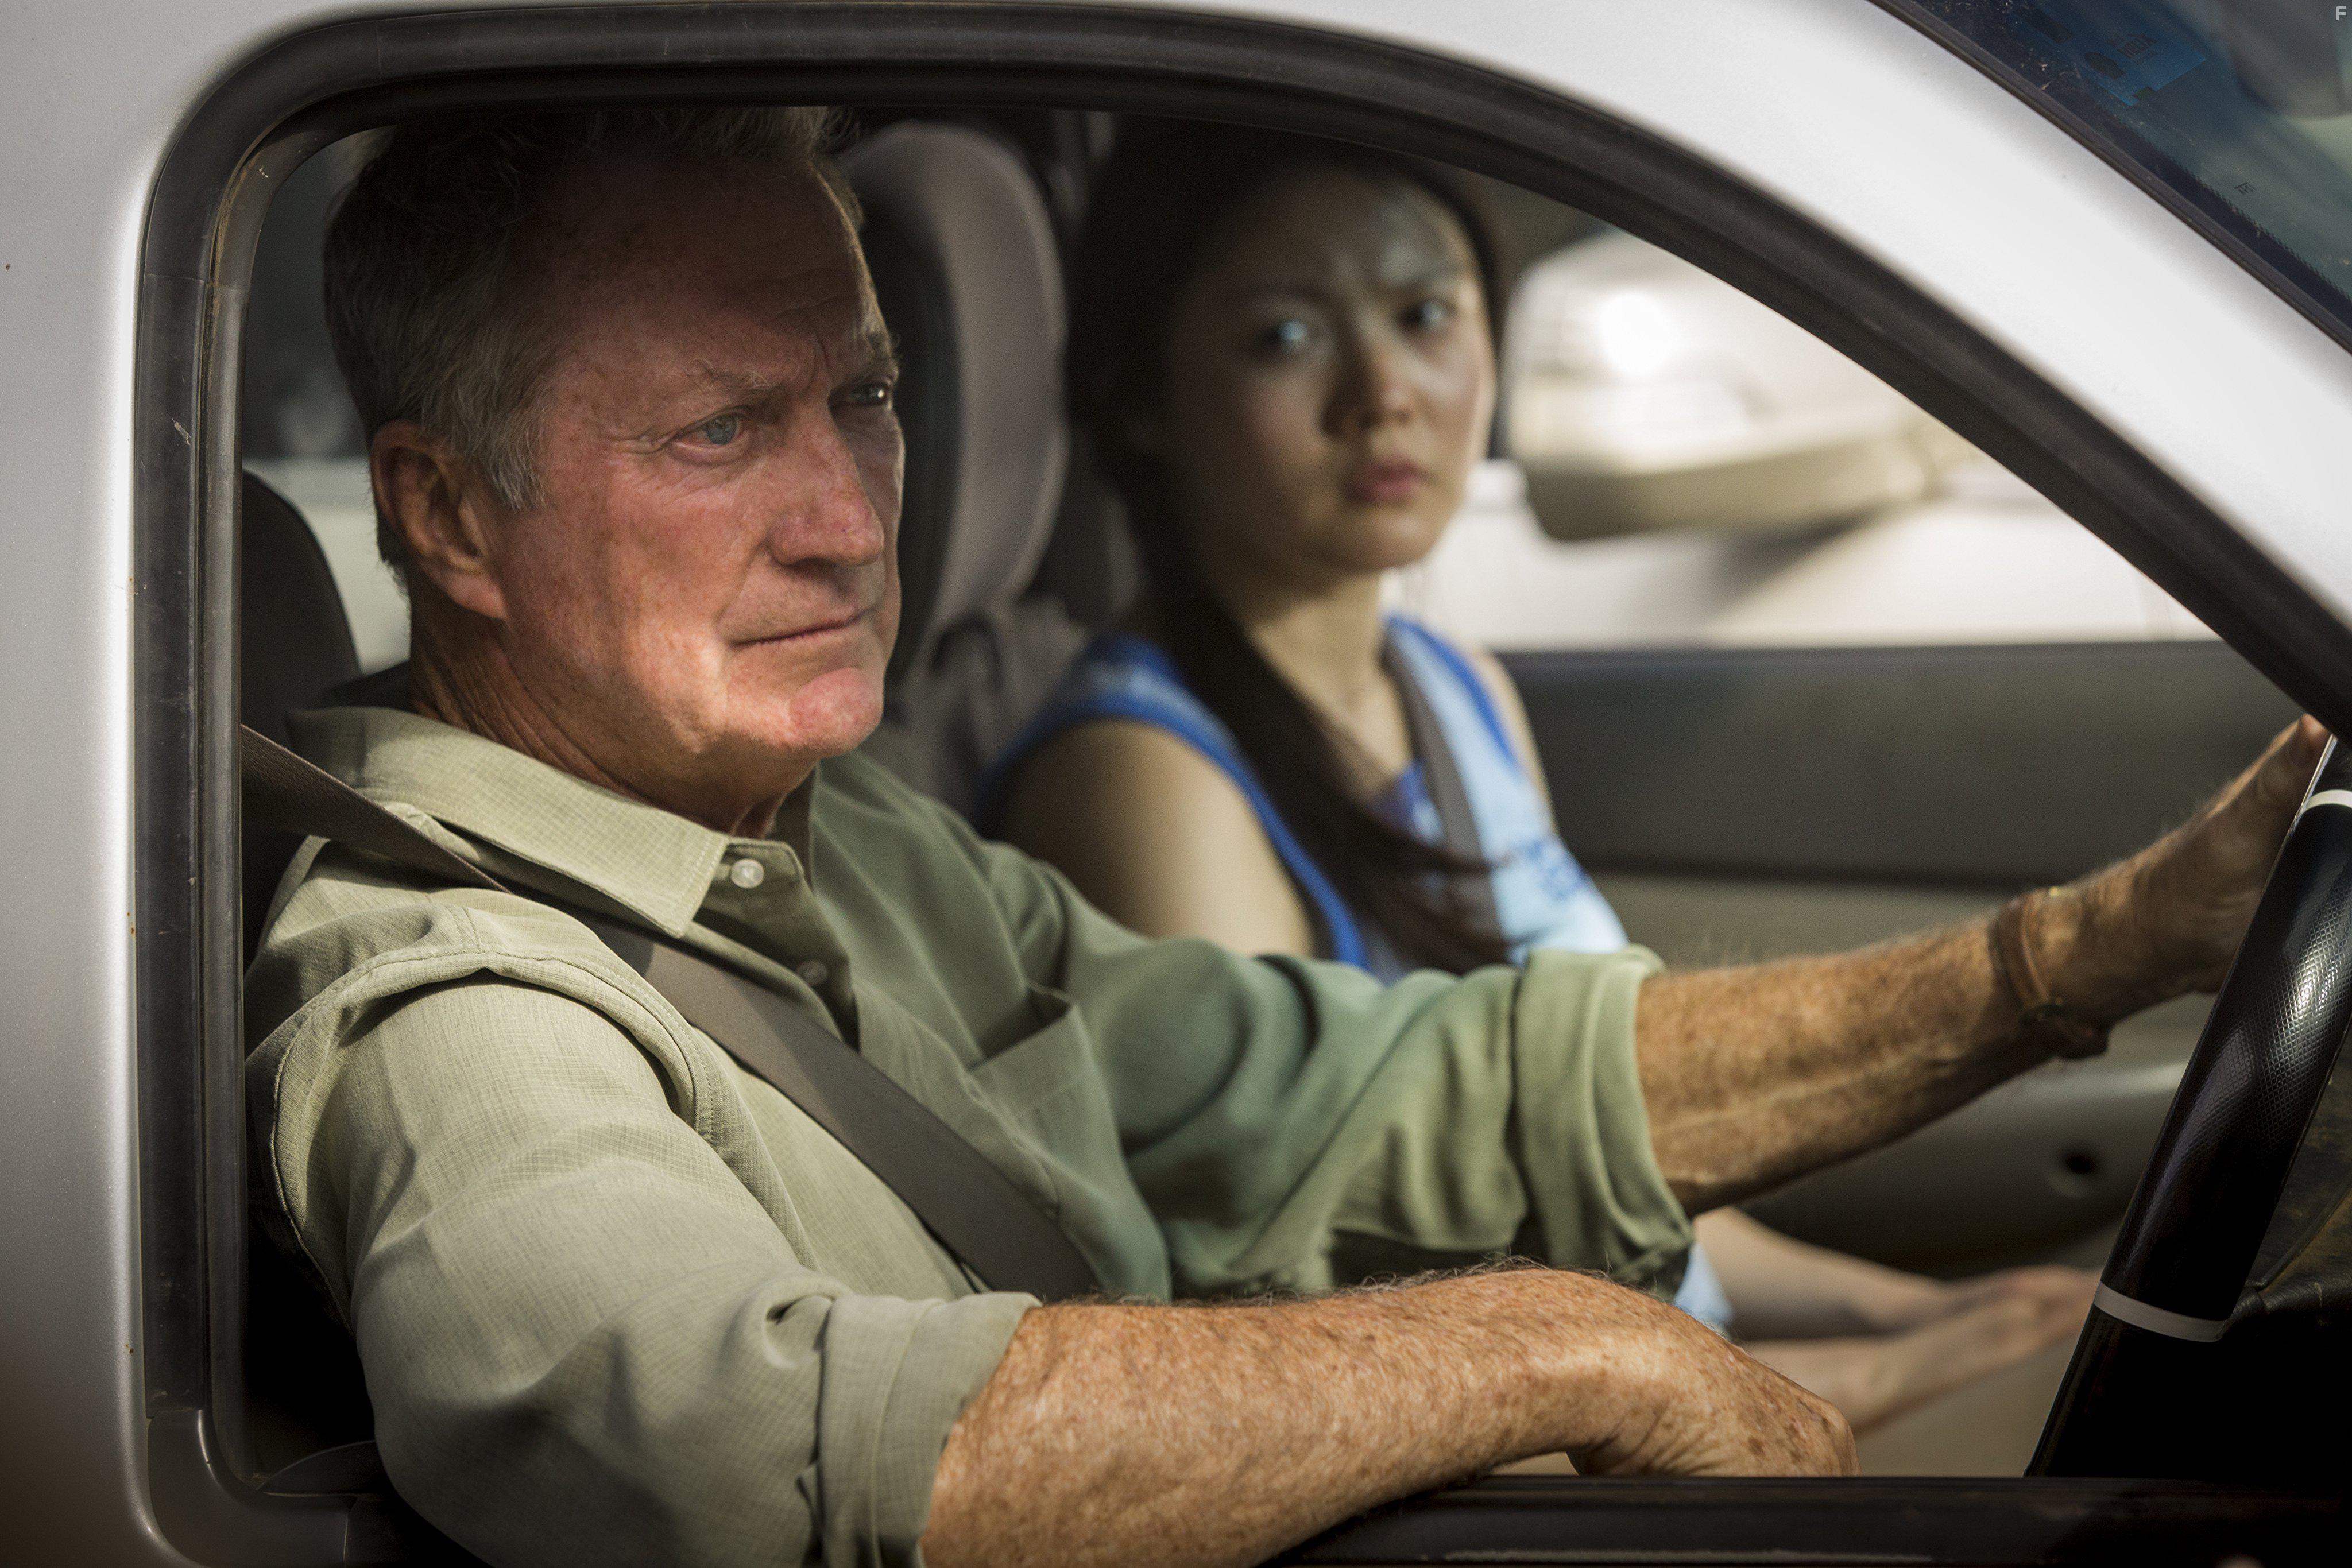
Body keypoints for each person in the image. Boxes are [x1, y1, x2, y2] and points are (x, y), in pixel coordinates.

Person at [247, 104, 2318, 1568]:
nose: (849, 516)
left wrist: (2094, 949)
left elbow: (1376, 1091)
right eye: (720, 432)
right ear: (443, 518)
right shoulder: (451, 1000)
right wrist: (1549, 1347)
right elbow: (712, 1451)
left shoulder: (849, 846)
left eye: (860, 401)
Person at [981, 122, 2094, 1434]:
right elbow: (1307, 1323)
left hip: (1662, 1401)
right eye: (1283, 336)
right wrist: (1881, 1376)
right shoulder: (1142, 782)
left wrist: (1916, 1313)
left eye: (1424, 313)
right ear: (1140, 399)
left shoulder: (1454, 691)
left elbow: (1598, 1173)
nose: (1383, 391)